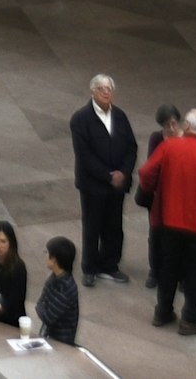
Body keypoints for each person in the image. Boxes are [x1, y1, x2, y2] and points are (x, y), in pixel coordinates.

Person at [140, 102, 196, 335]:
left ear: (187, 125)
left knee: (168, 267)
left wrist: (155, 193)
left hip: (169, 221)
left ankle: (162, 311)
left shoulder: (169, 147)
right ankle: (190, 319)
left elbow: (147, 173)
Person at [70, 75, 139, 286]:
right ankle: (90, 268)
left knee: (114, 226)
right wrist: (109, 176)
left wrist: (124, 173)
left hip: (117, 185)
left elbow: (131, 147)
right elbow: (84, 155)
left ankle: (110, 265)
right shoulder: (80, 119)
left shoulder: (120, 116)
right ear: (93, 92)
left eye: (109, 88)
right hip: (93, 185)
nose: (106, 92)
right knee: (92, 226)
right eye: (101, 89)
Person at [37, 237, 81, 346]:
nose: (45, 256)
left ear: (54, 260)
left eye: (46, 253)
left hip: (60, 343)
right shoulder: (55, 278)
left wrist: (40, 306)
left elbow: (47, 317)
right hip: (50, 335)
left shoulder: (65, 288)